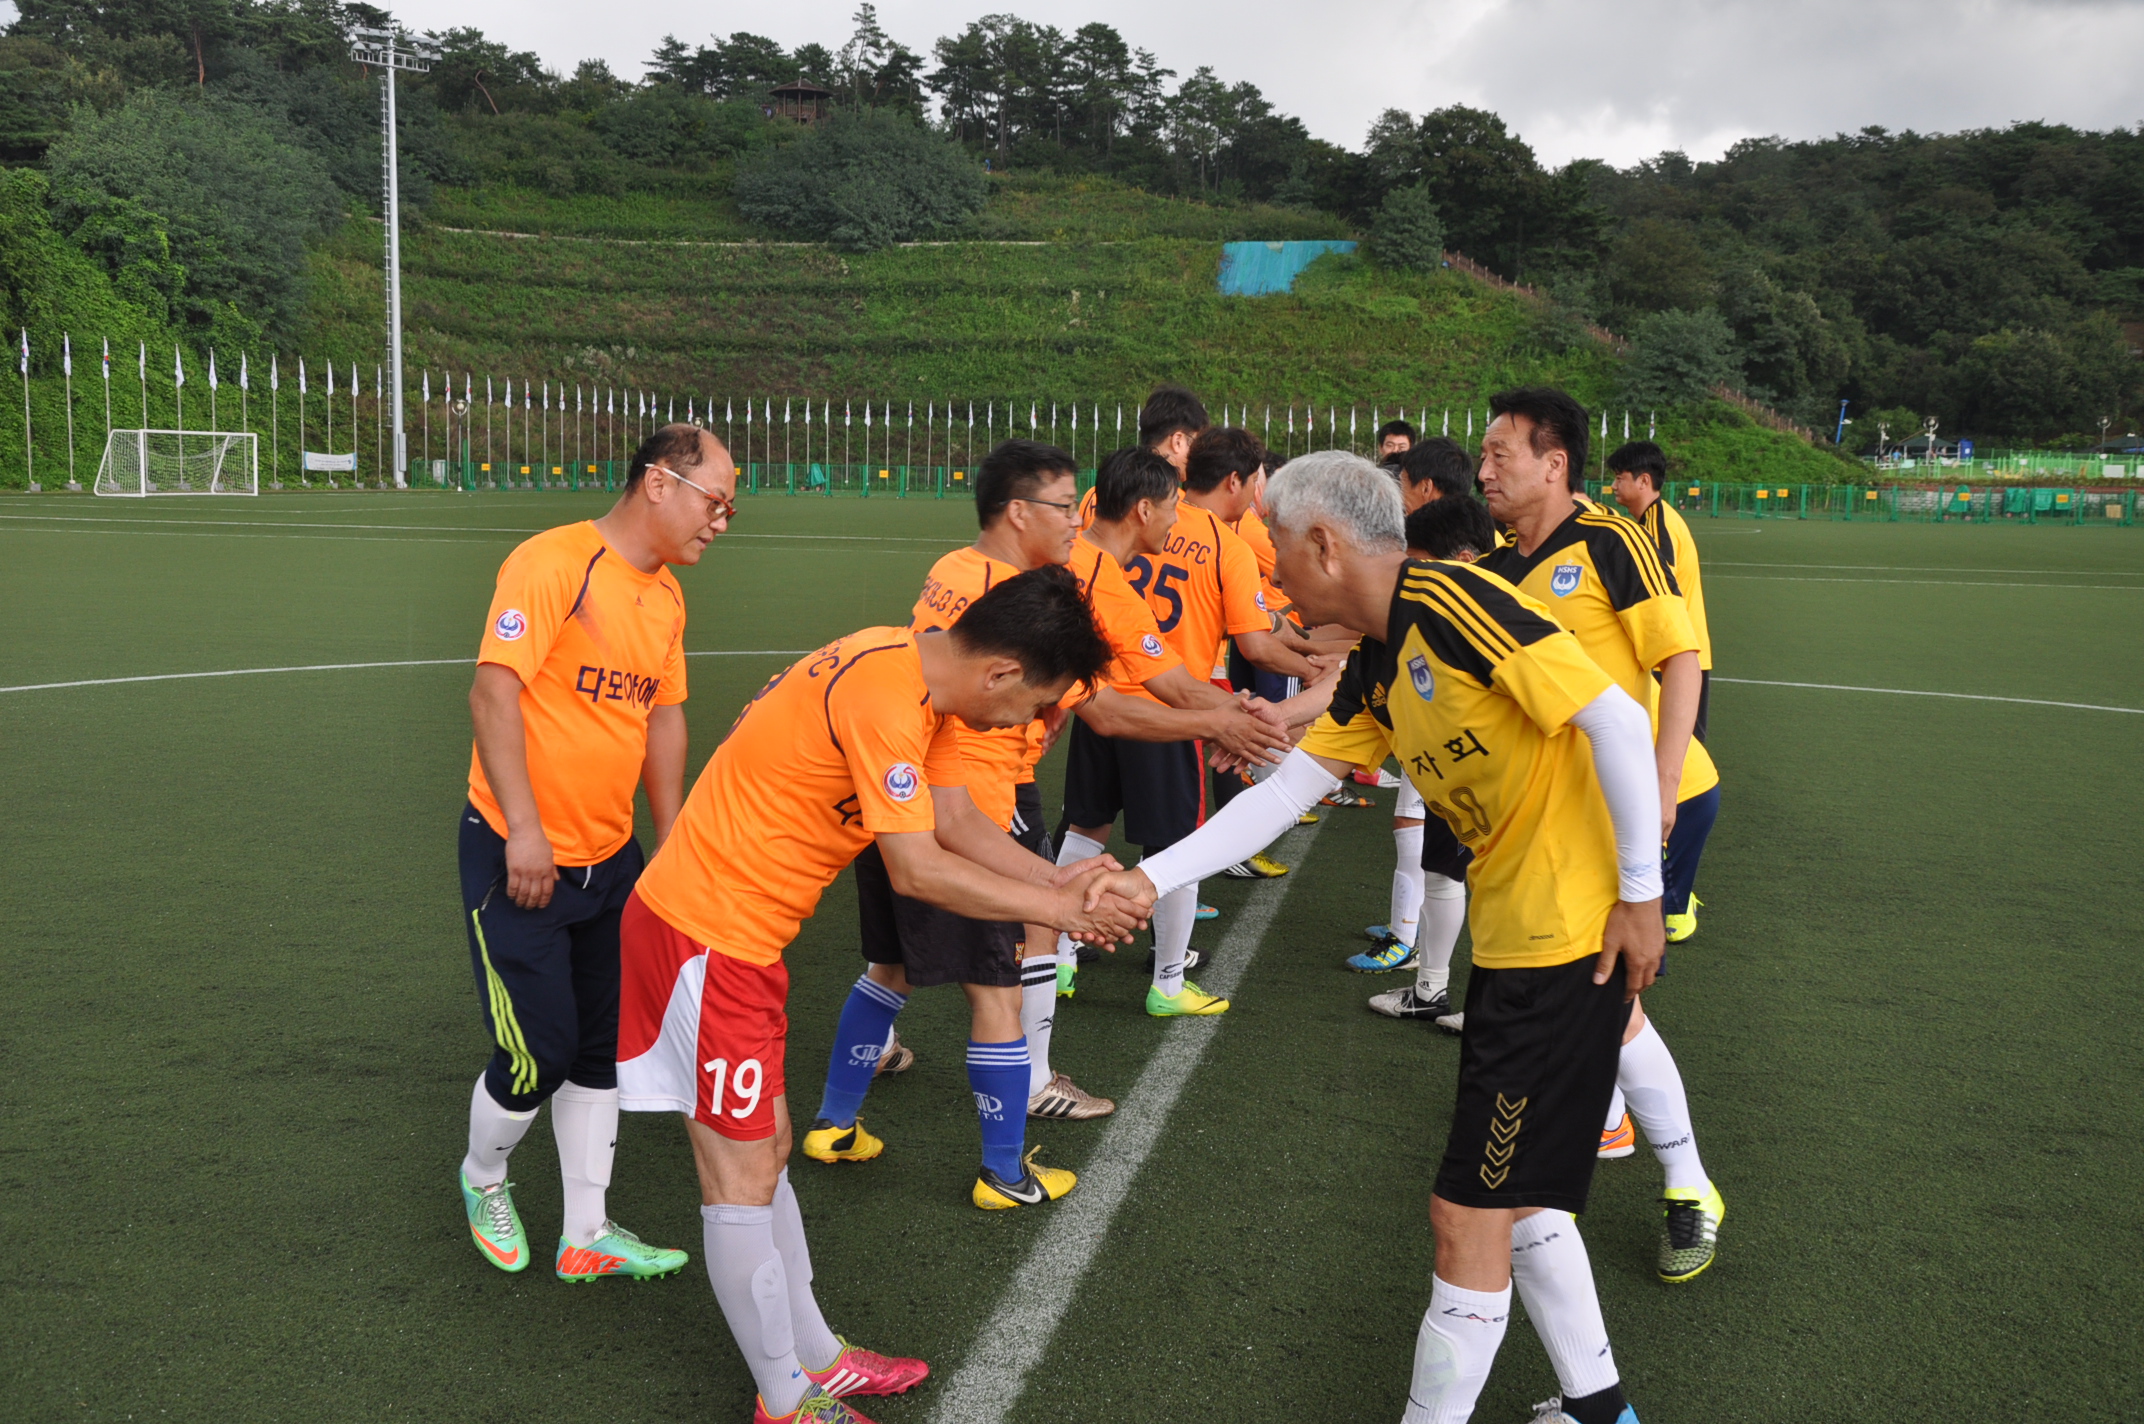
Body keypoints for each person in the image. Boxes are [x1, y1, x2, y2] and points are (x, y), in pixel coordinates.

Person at [1085, 450, 1662, 1424]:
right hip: (1517, 945)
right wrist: (1144, 878)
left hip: (1563, 943)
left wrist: (1640, 895)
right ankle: (1599, 1408)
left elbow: (1611, 717)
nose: (1272, 577)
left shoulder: (1451, 603)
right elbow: (1283, 795)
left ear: (1323, 543)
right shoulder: (1377, 663)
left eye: (1276, 550)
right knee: (1517, 1198)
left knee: (1464, 1216)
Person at [616, 569, 1149, 1424]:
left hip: (739, 941)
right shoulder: (885, 692)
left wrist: (1063, 883)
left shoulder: (920, 678)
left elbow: (957, 823)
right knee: (739, 1174)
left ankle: (819, 1360)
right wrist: (1059, 911)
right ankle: (785, 1401)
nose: (1028, 727)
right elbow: (917, 869)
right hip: (700, 940)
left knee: (768, 1151)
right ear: (1003, 672)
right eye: (1035, 707)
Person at [803, 441, 1287, 1150]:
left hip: (910, 779)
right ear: (1018, 512)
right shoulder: (1053, 589)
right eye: (1063, 507)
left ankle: (842, 1107)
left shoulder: (956, 568)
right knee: (1011, 965)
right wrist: (1226, 721)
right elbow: (1112, 709)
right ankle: (1018, 1121)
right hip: (973, 792)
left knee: (896, 959)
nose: (1075, 521)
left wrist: (1223, 716)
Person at [457, 423, 730, 1284]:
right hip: (519, 854)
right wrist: (525, 829)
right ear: (658, 483)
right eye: (715, 501)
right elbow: (492, 692)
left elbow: (663, 716)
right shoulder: (553, 563)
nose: (721, 521)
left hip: (610, 859)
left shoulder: (668, 598)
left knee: (599, 1047)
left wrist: (670, 837)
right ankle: (483, 1177)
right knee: (536, 1051)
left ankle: (587, 1231)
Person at [1474, 390, 1726, 1287]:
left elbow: (1681, 658)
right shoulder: (1495, 568)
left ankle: (1687, 1185)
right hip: (1551, 826)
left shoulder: (1611, 541)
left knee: (1612, 997)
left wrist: (1661, 780)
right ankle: (1623, 1135)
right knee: (1605, 1001)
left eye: (1501, 453)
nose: (1484, 468)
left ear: (1555, 464)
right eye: (1483, 453)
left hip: (1632, 812)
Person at [1054, 443, 1333, 1018]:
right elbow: (1246, 649)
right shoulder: (1226, 546)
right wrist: (1250, 713)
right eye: (1255, 481)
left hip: (1095, 696)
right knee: (1179, 846)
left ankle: (1057, 957)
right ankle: (1168, 980)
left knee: (1085, 824)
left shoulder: (1081, 530)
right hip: (1162, 713)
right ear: (1234, 480)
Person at [1357, 496, 1499, 1036]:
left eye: (1414, 567)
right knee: (1444, 868)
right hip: (1454, 775)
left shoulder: (1497, 617)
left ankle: (1491, 1007)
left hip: (1508, 793)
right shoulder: (1411, 625)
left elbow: (1607, 718)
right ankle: (1432, 988)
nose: (1405, 581)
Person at [1352, 439, 1482, 978]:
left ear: (1425, 488)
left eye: (1402, 483)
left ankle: (1408, 939)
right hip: (1426, 709)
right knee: (1421, 826)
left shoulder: (1443, 558)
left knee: (1421, 824)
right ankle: (1408, 930)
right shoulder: (1462, 539)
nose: (1397, 493)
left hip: (1442, 717)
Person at [1607, 441, 1716, 943]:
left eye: (1620, 478)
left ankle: (1673, 901)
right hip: (1681, 661)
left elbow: (1657, 601)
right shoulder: (1656, 520)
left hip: (1677, 666)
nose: (1613, 486)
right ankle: (1672, 891)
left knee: (1675, 781)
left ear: (1643, 481)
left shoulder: (1657, 529)